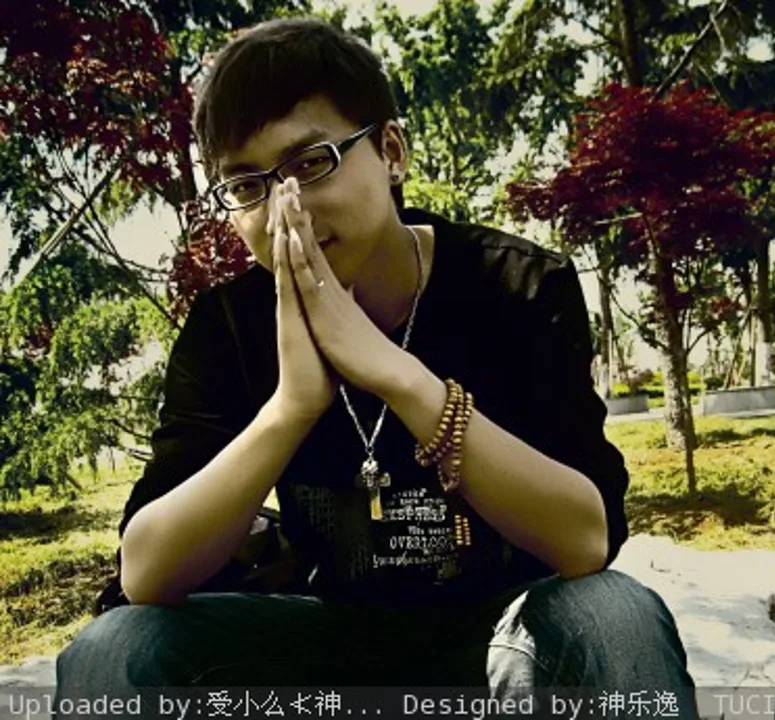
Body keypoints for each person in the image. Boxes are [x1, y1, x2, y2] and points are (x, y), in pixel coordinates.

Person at [54, 16, 697, 719]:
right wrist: (290, 408)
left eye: (310, 163)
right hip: (325, 642)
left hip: (503, 635)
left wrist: (401, 378)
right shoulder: (230, 325)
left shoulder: (515, 285)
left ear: (391, 151)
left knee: (613, 614)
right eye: (246, 185)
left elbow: (585, 539)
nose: (283, 208)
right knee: (116, 648)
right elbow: (145, 571)